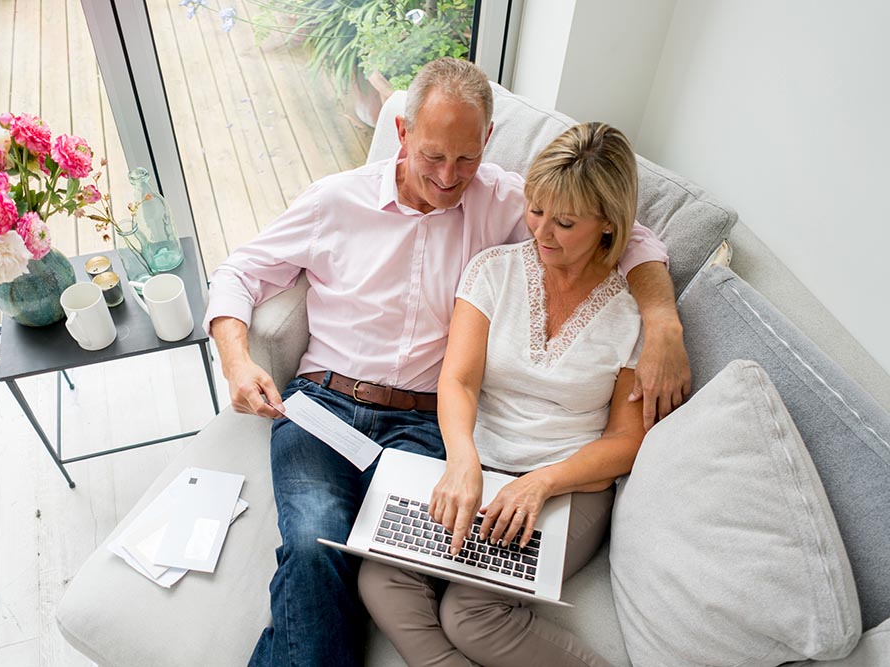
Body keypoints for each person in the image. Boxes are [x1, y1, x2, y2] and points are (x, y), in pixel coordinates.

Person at [204, 58, 683, 666]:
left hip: (424, 427)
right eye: (432, 156)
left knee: (381, 565)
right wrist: (238, 362)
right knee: (313, 543)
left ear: (487, 140)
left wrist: (662, 321)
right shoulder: (335, 200)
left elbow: (628, 236)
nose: (449, 177)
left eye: (466, 158)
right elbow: (239, 272)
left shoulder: (512, 201)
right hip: (323, 406)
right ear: (401, 133)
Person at [357, 121, 645, 667]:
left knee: (469, 615)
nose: (542, 233)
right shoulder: (493, 271)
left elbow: (627, 439)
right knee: (381, 576)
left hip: (568, 486)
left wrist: (541, 484)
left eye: (564, 222)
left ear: (608, 224)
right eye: (535, 211)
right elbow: (458, 380)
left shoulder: (632, 315)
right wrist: (462, 458)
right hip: (479, 466)